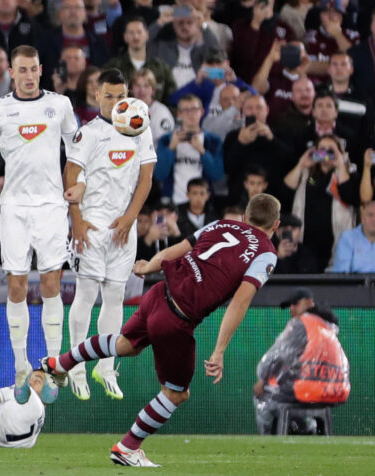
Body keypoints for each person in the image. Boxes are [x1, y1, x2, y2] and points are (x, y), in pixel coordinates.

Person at [42, 193, 281, 467]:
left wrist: (148, 265)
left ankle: (60, 364)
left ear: (243, 217)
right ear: (276, 226)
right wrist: (219, 350)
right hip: (177, 318)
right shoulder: (266, 253)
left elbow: (177, 249)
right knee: (177, 393)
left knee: (125, 345)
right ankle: (127, 448)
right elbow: (239, 303)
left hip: (159, 292)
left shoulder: (220, 224)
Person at [0, 45, 79, 405]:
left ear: (41, 70)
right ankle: (22, 364)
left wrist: (80, 183)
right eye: (20, 70)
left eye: (32, 70)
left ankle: (55, 362)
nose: (27, 76)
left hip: (52, 206)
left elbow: (76, 148)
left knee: (53, 282)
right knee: (17, 285)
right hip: (13, 208)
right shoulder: (1, 109)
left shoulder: (60, 105)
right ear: (12, 72)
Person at [63, 68, 156, 401]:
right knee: (86, 292)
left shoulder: (140, 127)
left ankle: (105, 367)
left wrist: (130, 218)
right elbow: (70, 175)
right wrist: (76, 220)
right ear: (97, 95)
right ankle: (74, 364)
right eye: (109, 96)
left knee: (115, 294)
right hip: (91, 224)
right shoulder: (87, 134)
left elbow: (146, 179)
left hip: (123, 227)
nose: (116, 102)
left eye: (122, 96)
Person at [253, 302, 350, 435]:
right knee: (293, 399)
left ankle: (268, 442)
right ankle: (309, 429)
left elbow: (279, 356)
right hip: (335, 391)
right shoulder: (329, 332)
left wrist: (263, 378)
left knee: (265, 395)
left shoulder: (304, 324)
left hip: (306, 390)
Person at [284, 134, 358, 269]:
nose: (326, 153)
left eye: (331, 149)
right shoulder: (307, 173)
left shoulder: (349, 171)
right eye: (322, 149)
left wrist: (340, 165)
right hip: (307, 239)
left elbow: (350, 196)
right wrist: (301, 164)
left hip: (336, 236)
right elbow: (286, 190)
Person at [155, 93, 224, 205]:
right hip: (173, 203)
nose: (190, 114)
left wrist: (202, 151)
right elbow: (160, 174)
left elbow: (217, 175)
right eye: (186, 110)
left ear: (201, 112)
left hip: (203, 204)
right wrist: (171, 148)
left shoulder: (213, 141)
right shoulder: (166, 140)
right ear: (179, 114)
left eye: (194, 109)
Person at [105, 16, 176, 104]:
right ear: (125, 37)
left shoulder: (161, 67)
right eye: (131, 33)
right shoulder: (114, 67)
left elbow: (172, 97)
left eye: (139, 32)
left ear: (147, 35)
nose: (136, 37)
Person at [130, 68, 174, 148]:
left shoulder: (161, 113)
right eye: (137, 85)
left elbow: (164, 148)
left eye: (146, 86)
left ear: (153, 90)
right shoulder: (126, 111)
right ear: (132, 89)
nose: (141, 90)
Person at [331, 201, 375, 273]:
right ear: (363, 219)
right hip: (356, 283)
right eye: (370, 215)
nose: (374, 219)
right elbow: (341, 274)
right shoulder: (347, 238)